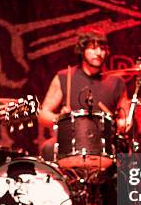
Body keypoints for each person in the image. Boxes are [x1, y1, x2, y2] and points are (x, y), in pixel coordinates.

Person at [39, 28, 130, 160]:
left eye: (102, 48)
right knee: (48, 147)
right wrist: (60, 118)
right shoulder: (65, 76)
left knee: (124, 151)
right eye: (93, 48)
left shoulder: (116, 82)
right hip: (71, 144)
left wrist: (124, 123)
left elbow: (125, 118)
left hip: (105, 144)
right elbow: (43, 115)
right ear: (82, 50)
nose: (98, 53)